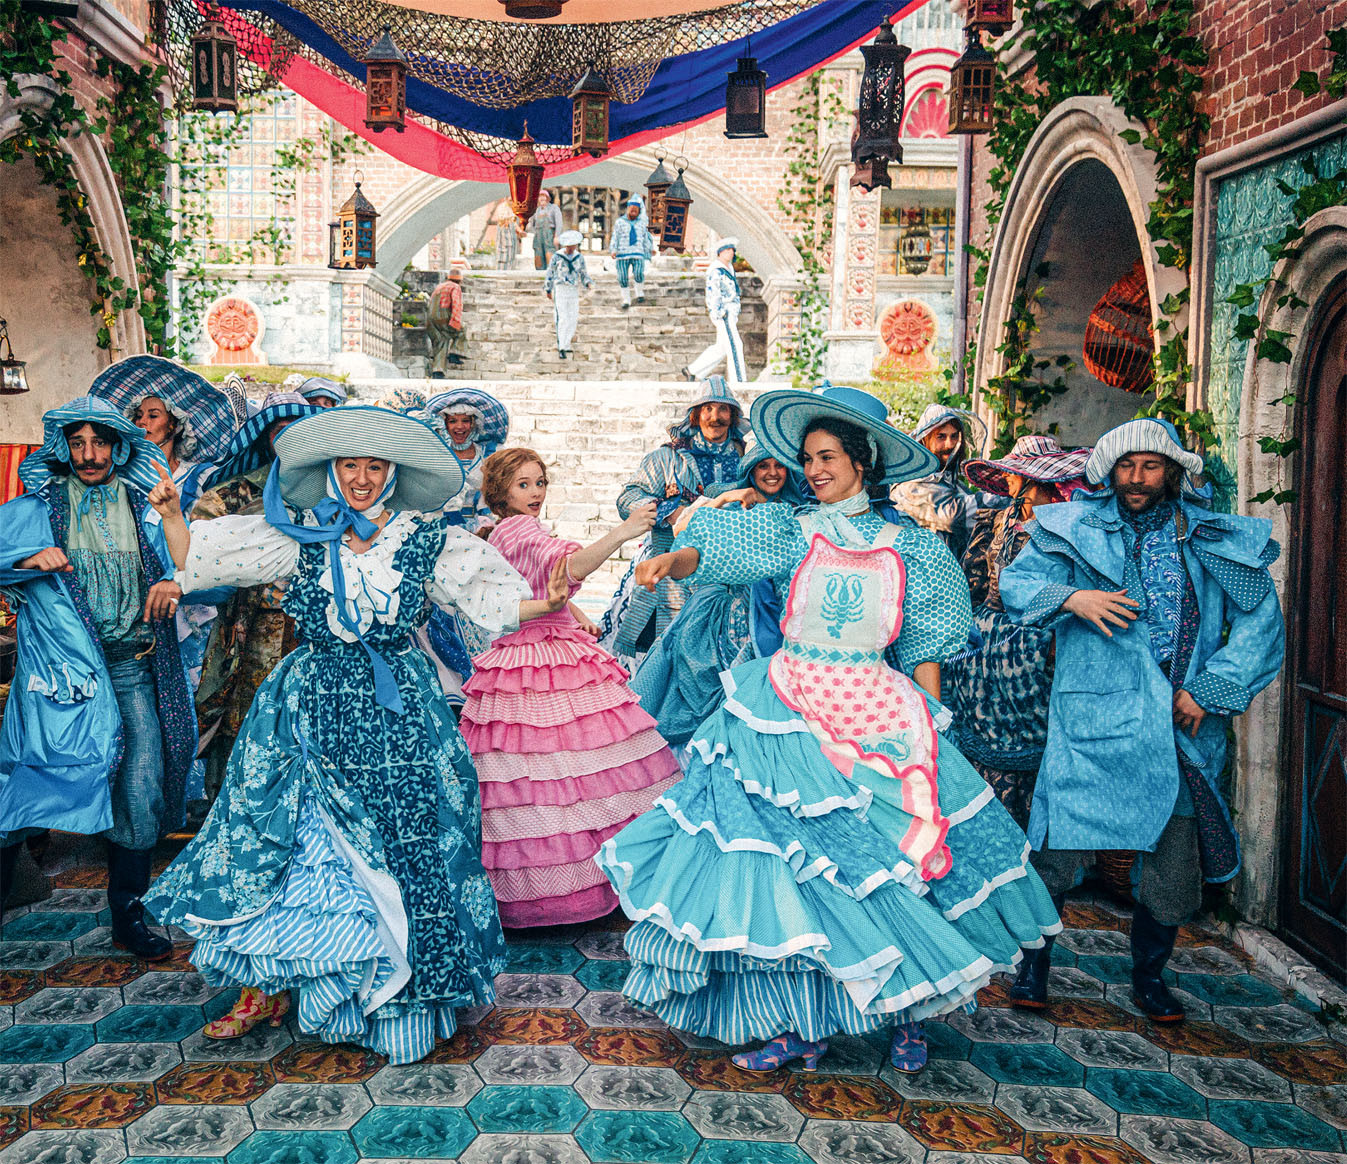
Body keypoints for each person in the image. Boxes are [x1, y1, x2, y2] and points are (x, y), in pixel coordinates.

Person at [596, 384, 1059, 1074]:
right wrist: (673, 560)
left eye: (828, 458)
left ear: (862, 463)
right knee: (799, 875)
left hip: (876, 711)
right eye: (808, 458)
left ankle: (909, 1013)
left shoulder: (916, 550)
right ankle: (803, 1025)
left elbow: (925, 650)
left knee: (891, 867)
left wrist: (930, 729)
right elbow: (718, 550)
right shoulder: (791, 530)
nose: (813, 470)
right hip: (785, 709)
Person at [144, 405, 571, 1062]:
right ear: (332, 471)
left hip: (399, 712)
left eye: (375, 467)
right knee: (289, 838)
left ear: (392, 474)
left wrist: (549, 602)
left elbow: (492, 599)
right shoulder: (299, 535)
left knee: (410, 842)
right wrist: (174, 515)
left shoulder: (426, 540)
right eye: (350, 466)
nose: (362, 478)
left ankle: (396, 994)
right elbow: (200, 559)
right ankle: (269, 984)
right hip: (310, 705)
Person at [1000, 418, 1284, 1022]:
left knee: (1173, 861)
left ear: (1172, 472)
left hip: (1180, 723)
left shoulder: (1208, 537)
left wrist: (1209, 690)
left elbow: (1261, 624)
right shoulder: (1072, 528)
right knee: (1054, 852)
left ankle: (1150, 978)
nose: (1136, 478)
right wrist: (1072, 597)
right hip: (1090, 718)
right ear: (1109, 472)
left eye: (1150, 466)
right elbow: (1017, 584)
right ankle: (1032, 967)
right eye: (1125, 466)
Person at [0, 397, 196, 959]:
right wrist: (25, 560)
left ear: (119, 446)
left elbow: (195, 567)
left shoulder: (144, 505)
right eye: (78, 443)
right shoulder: (38, 507)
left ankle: (128, 917)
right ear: (63, 448)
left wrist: (175, 532)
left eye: (100, 442)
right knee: (32, 779)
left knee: (141, 784)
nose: (89, 455)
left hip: (133, 666)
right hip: (61, 677)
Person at [459, 448, 681, 926]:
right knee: (562, 772)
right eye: (523, 484)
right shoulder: (519, 529)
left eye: (539, 482)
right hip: (537, 655)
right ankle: (575, 886)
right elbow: (570, 566)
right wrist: (624, 531)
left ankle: (571, 883)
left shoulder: (510, 530)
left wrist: (574, 613)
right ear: (500, 491)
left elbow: (539, 585)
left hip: (546, 641)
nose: (535, 492)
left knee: (557, 772)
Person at [942, 436, 1092, 828]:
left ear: (1034, 479)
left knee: (1037, 751)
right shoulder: (999, 520)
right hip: (987, 655)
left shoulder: (1069, 523)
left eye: (1014, 473)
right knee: (984, 749)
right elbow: (972, 582)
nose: (1007, 479)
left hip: (1036, 651)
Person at [629, 438, 805, 745]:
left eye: (779, 466)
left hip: (776, 617)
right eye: (763, 466)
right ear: (751, 471)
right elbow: (685, 531)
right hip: (725, 613)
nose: (772, 473)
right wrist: (724, 498)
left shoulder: (800, 512)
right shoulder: (734, 505)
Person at [190, 392, 320, 803]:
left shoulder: (331, 489)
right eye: (281, 431)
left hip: (316, 630)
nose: (291, 439)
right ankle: (237, 805)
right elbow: (199, 531)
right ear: (267, 438)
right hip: (252, 626)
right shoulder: (240, 492)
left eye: (300, 430)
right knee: (245, 713)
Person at [604, 376, 748, 662]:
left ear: (732, 415)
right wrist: (670, 511)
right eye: (707, 409)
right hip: (669, 573)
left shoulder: (748, 458)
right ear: (695, 415)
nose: (715, 417)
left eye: (723, 409)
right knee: (661, 656)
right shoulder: (667, 458)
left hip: (731, 576)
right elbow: (627, 499)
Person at [417, 388, 512, 707]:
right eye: (453, 420)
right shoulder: (437, 453)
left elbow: (492, 499)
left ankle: (485, 672)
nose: (459, 427)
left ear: (475, 424)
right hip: (442, 534)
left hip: (480, 533)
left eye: (465, 421)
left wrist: (488, 526)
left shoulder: (488, 456)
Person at [91, 355, 238, 521]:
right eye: (138, 416)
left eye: (153, 416)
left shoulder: (200, 477)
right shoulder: (121, 474)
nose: (141, 422)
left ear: (173, 426)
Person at [891, 403, 990, 561]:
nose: (950, 444)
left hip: (950, 569)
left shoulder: (948, 480)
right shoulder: (911, 483)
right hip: (924, 570)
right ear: (925, 439)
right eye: (941, 437)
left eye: (954, 436)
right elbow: (954, 515)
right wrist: (1003, 498)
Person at [685, 238, 747, 384]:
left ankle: (693, 370)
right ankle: (739, 381)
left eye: (732, 250)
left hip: (731, 312)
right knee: (735, 345)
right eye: (727, 250)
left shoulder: (728, 268)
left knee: (722, 348)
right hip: (724, 312)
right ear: (720, 252)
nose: (731, 253)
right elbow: (713, 293)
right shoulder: (716, 270)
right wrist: (719, 312)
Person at [544, 231, 591, 359]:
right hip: (561, 288)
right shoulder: (557, 257)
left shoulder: (579, 257)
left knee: (572, 317)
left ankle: (567, 342)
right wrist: (548, 288)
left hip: (573, 289)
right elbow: (550, 272)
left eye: (573, 245)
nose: (571, 248)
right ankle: (562, 346)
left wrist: (588, 283)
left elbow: (583, 273)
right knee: (563, 317)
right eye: (569, 246)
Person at [611, 194, 653, 310]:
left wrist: (649, 249)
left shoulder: (642, 223)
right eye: (632, 209)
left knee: (639, 273)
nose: (634, 211)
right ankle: (626, 299)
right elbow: (615, 237)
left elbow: (645, 238)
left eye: (636, 210)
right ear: (628, 209)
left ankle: (639, 293)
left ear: (639, 211)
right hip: (622, 253)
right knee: (622, 277)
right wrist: (613, 249)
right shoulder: (620, 222)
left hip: (638, 252)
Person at [428, 268, 467, 376]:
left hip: (431, 320)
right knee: (462, 329)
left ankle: (438, 371)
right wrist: (455, 321)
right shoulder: (455, 287)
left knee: (442, 340)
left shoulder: (439, 286)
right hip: (444, 316)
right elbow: (456, 304)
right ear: (459, 280)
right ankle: (455, 353)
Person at [532, 189, 564, 271]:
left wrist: (557, 236)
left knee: (550, 255)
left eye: (544, 196)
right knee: (538, 255)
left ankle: (551, 274)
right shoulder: (536, 210)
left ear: (548, 198)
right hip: (538, 236)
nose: (542, 198)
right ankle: (539, 273)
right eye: (540, 196)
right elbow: (532, 224)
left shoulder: (554, 208)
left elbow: (559, 223)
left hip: (549, 235)